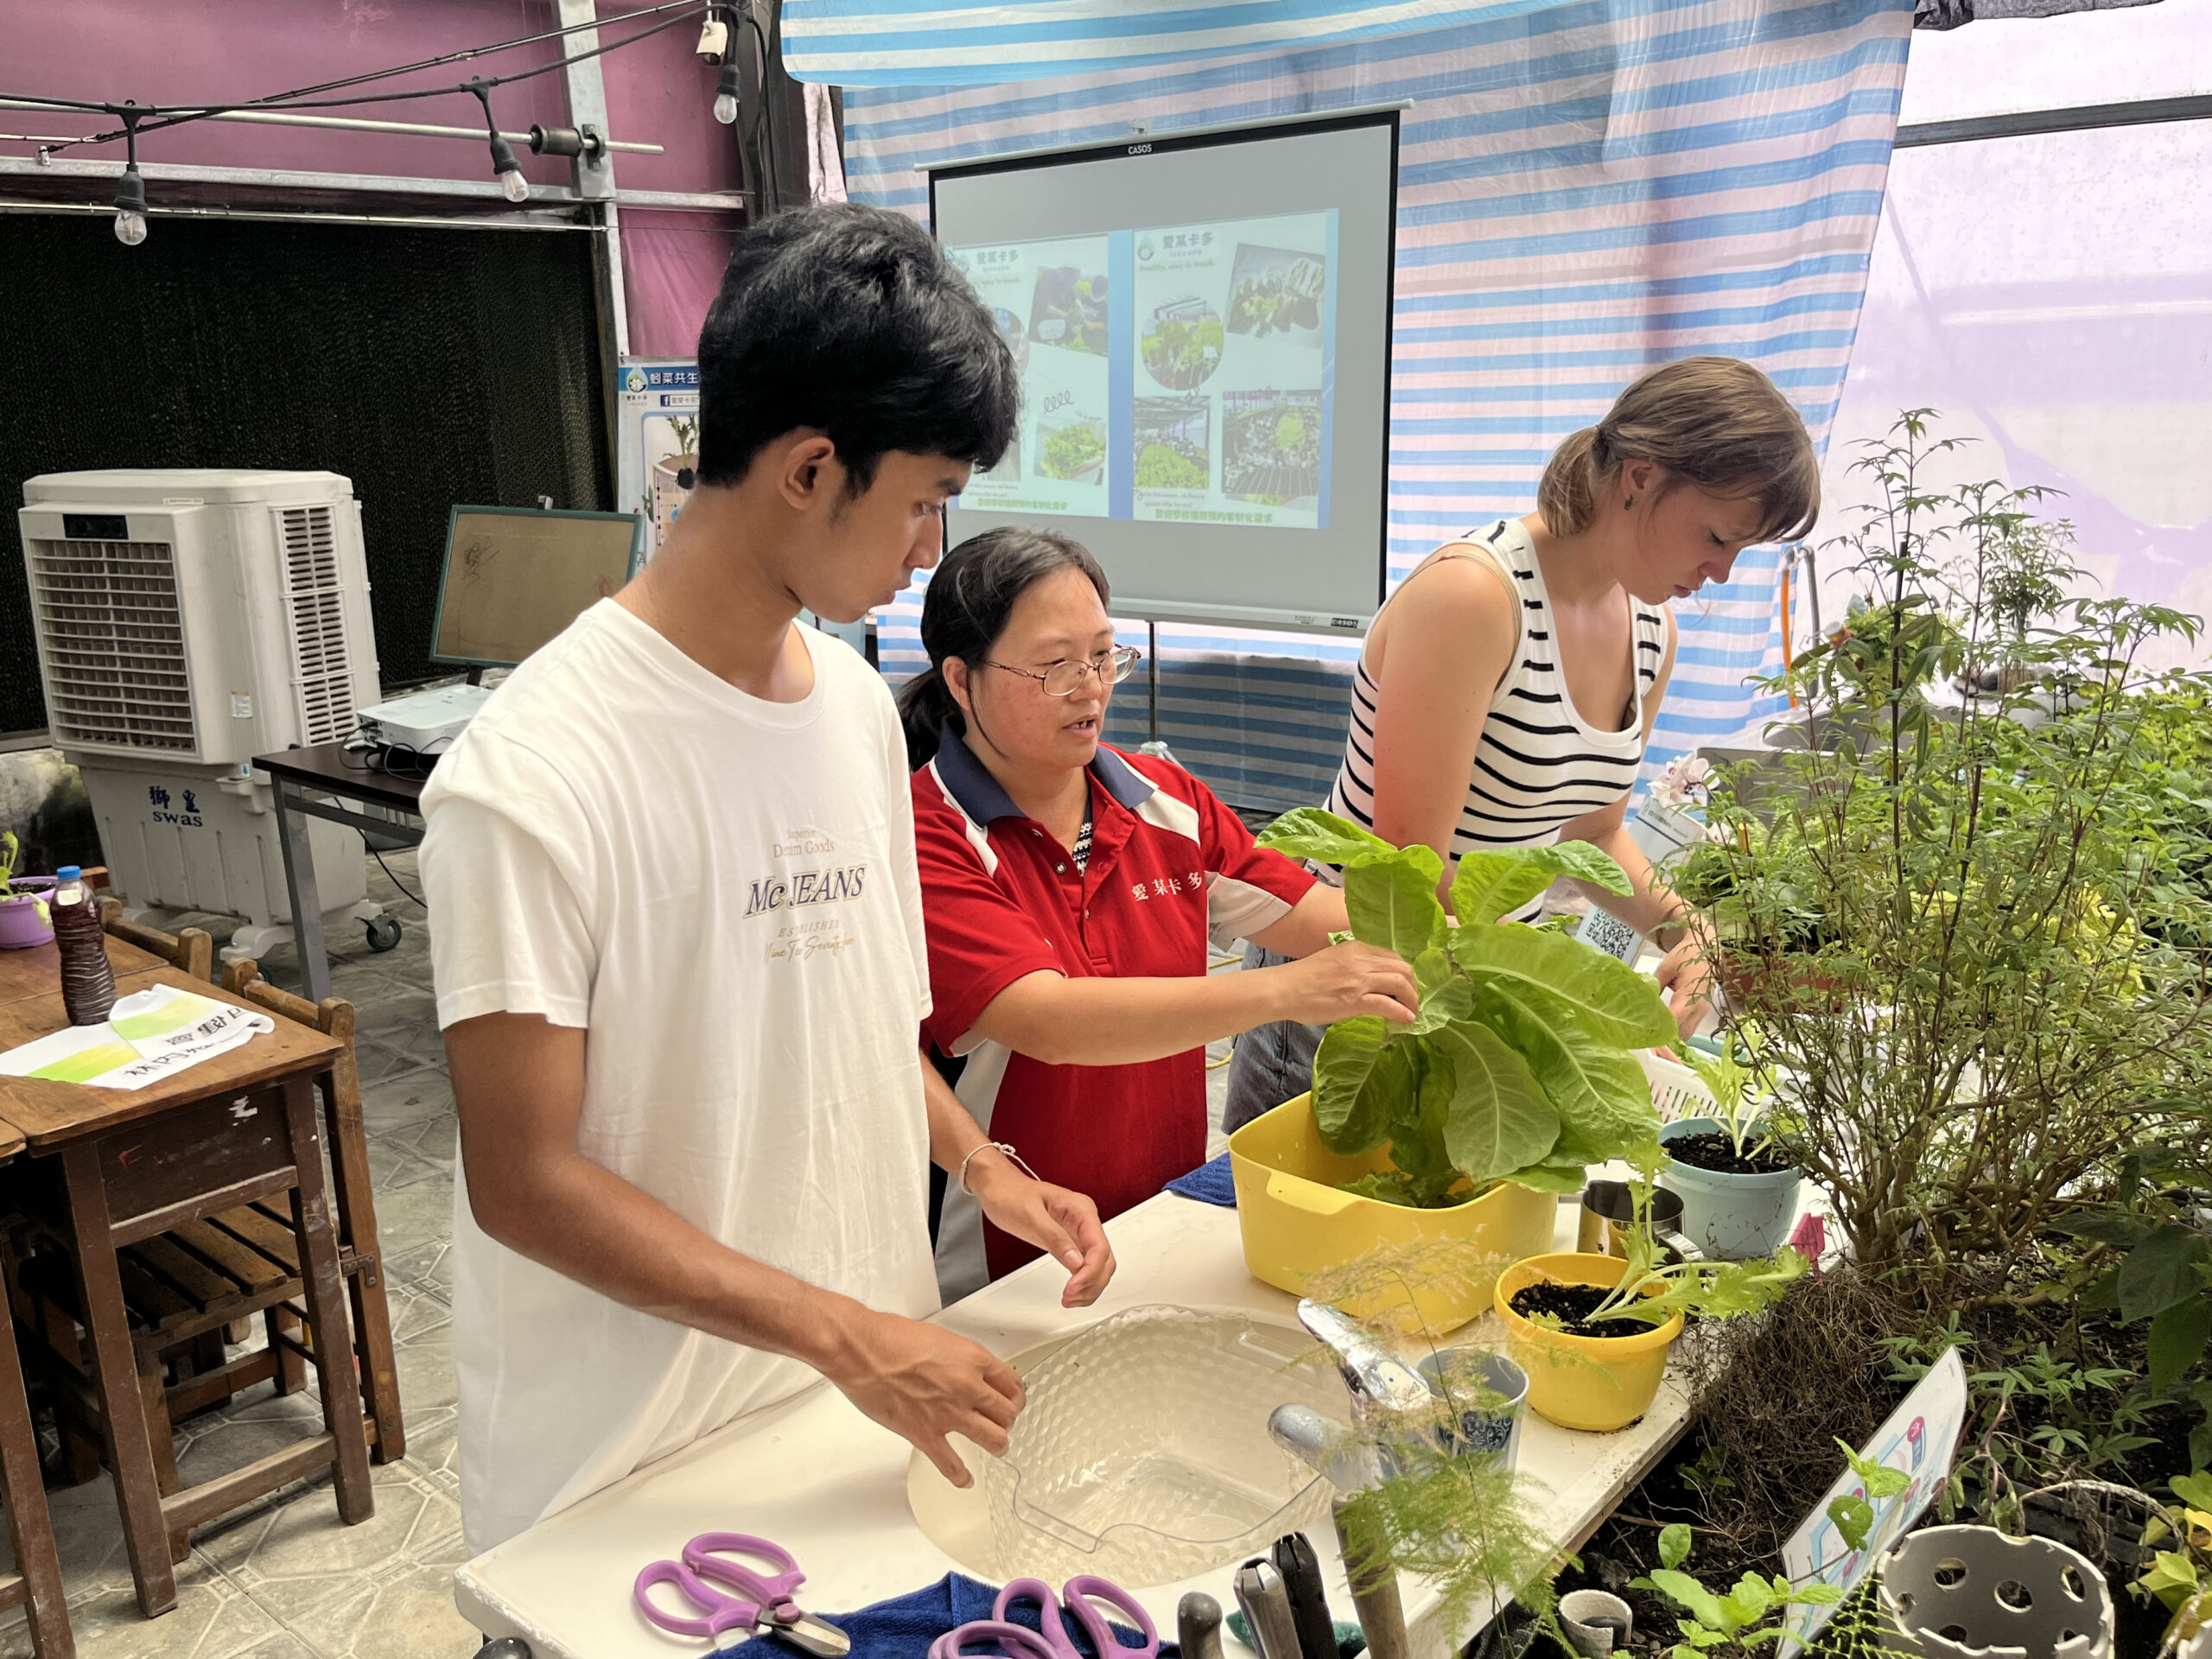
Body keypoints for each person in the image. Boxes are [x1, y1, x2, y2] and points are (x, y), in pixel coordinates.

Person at [419, 203, 1115, 1554]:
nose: (930, 548)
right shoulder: (534, 774)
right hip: (632, 1479)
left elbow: (855, 1031)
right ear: (808, 469)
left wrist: (981, 1163)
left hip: (860, 1421)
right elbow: (525, 1182)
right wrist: (842, 1335)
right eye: (923, 500)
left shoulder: (853, 714)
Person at [1224, 355, 1820, 1132]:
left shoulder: (1650, 628)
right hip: (1351, 983)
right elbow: (1410, 873)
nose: (1721, 572)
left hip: (1480, 980)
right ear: (1640, 477)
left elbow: (1594, 833)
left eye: (1742, 550)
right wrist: (1576, 1001)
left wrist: (1688, 928)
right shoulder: (1473, 597)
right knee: (1299, 1198)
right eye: (1716, 536)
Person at [899, 527, 1421, 1296]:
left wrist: (1475, 940)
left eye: (1103, 656)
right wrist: (1287, 990)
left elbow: (1313, 914)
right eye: (1055, 666)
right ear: (961, 679)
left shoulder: (1165, 801)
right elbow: (1047, 1020)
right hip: (1012, 1257)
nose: (1090, 688)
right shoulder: (927, 834)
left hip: (1159, 1220)